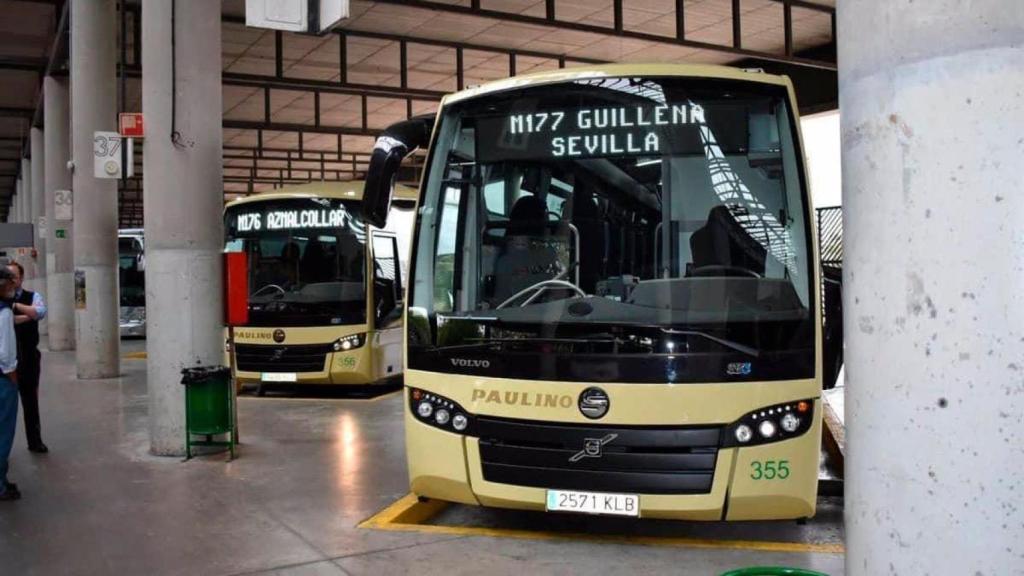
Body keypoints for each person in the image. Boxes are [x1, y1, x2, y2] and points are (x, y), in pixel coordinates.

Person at [8, 262, 47, 453]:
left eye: (14, 276)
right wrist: (26, 315)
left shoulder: (33, 296)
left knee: (30, 402)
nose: (11, 280)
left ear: (21, 278)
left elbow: (39, 312)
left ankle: (35, 441)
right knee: (5, 407)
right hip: (6, 362)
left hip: (29, 358)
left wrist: (16, 306)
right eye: (8, 277)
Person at [0, 267, 21, 501]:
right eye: (9, 282)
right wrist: (11, 373)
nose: (13, 286)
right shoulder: (4, 312)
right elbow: (5, 351)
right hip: (3, 379)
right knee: (4, 431)